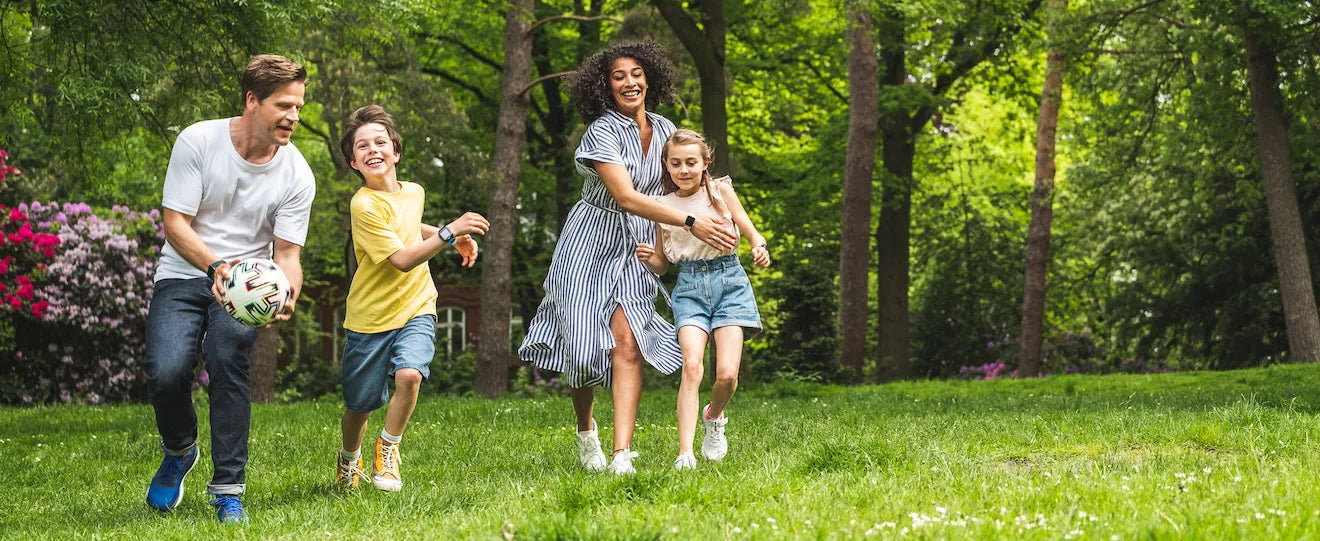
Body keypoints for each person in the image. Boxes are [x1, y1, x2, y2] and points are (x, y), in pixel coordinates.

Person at [519, 41, 737, 475]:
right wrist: (691, 221)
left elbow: (689, 183)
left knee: (628, 344)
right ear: (605, 87)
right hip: (589, 243)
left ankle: (621, 454)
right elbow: (626, 196)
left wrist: (723, 223)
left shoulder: (666, 127)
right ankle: (586, 431)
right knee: (582, 356)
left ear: (649, 78)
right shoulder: (602, 131)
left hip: (638, 246)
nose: (629, 82)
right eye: (618, 76)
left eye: (636, 73)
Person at [145, 54, 314, 523]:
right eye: (284, 105)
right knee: (167, 371)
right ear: (251, 100)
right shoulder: (198, 140)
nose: (294, 117)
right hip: (184, 271)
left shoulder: (298, 173)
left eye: (299, 106)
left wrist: (287, 291)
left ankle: (227, 489)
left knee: (227, 364)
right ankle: (180, 450)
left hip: (248, 287)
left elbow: (287, 256)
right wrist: (217, 266)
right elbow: (174, 223)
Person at [332, 105, 487, 492]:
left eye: (380, 142)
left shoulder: (414, 191)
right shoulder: (363, 205)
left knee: (410, 374)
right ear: (354, 162)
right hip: (370, 317)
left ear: (396, 152)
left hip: (417, 304)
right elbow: (400, 259)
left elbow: (406, 227)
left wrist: (443, 236)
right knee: (360, 405)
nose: (373, 150)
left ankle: (388, 449)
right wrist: (449, 232)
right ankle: (349, 460)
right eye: (362, 146)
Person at [635, 129, 770, 470]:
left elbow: (750, 229)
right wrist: (649, 257)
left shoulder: (719, 189)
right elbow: (663, 264)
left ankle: (715, 415)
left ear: (705, 163)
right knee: (692, 367)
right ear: (666, 166)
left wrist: (758, 245)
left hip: (730, 283)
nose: (684, 170)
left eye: (691, 162)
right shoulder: (661, 207)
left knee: (726, 376)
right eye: (676, 163)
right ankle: (685, 454)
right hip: (690, 289)